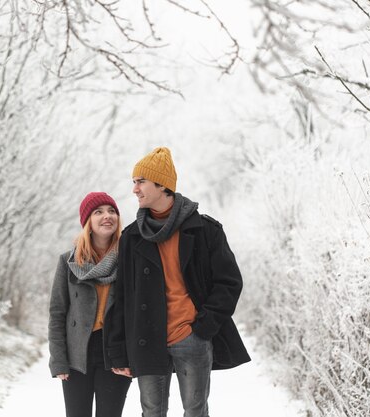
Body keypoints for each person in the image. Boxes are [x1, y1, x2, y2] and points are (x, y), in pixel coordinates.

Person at [107, 147, 250, 417]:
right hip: (146, 339)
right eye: (134, 182)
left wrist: (204, 326)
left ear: (163, 186)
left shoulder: (205, 230)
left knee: (195, 412)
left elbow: (229, 282)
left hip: (191, 337)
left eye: (141, 182)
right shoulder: (132, 237)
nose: (134, 189)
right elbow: (121, 295)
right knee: (152, 413)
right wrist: (118, 350)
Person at [48, 192, 132, 417]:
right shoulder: (69, 262)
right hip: (78, 355)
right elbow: (57, 312)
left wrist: (133, 356)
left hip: (114, 351)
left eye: (112, 211)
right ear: (88, 223)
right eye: (99, 212)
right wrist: (59, 360)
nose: (107, 216)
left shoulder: (129, 259)